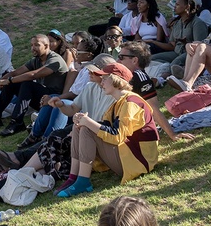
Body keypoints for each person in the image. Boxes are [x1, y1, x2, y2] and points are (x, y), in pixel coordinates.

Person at [55, 63, 160, 196]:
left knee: (87, 128)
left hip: (139, 161)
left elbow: (117, 136)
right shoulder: (119, 102)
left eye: (105, 78)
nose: (101, 82)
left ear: (116, 80)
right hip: (128, 153)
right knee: (79, 127)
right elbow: (106, 126)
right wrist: (82, 120)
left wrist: (88, 122)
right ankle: (73, 177)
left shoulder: (131, 103)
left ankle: (83, 181)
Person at [0, 34, 69, 138]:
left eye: (36, 45)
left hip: (53, 99)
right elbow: (16, 73)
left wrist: (9, 80)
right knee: (12, 84)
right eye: (31, 45)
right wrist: (1, 80)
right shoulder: (37, 59)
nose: (33, 48)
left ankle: (17, 122)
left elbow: (34, 74)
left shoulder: (55, 60)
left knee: (27, 84)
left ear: (46, 46)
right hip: (41, 98)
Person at [116, 42, 193, 144]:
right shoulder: (121, 75)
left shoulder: (141, 79)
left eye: (121, 57)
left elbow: (154, 109)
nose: (117, 61)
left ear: (134, 60)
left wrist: (173, 135)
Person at [150, 0, 207, 69]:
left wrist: (186, 43)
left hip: (190, 53)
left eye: (177, 4)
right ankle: (167, 70)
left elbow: (200, 47)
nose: (174, 7)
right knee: (151, 59)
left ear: (187, 7)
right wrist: (153, 42)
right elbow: (172, 46)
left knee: (175, 63)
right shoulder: (177, 23)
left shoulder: (197, 23)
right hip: (176, 52)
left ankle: (171, 72)